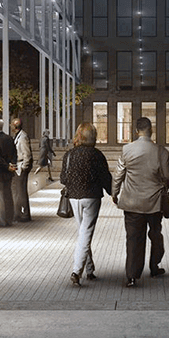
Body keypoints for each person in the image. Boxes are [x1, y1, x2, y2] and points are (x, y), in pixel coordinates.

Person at [112, 117, 169, 287]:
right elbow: (167, 177)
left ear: (135, 131)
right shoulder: (161, 151)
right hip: (154, 203)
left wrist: (114, 193)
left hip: (132, 203)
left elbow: (118, 174)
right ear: (151, 130)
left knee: (133, 239)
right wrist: (165, 184)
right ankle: (154, 267)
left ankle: (132, 276)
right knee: (155, 234)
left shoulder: (127, 149)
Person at [61, 122, 113, 286]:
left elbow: (63, 178)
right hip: (91, 197)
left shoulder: (69, 155)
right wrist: (114, 194)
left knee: (83, 232)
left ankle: (89, 269)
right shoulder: (97, 155)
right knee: (86, 233)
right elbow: (105, 178)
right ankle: (77, 271)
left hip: (74, 197)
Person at [12, 118, 33, 223]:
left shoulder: (23, 137)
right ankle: (18, 213)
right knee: (18, 192)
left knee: (21, 192)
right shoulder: (19, 136)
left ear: (15, 126)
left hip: (21, 168)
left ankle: (24, 214)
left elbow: (26, 154)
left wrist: (24, 167)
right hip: (18, 167)